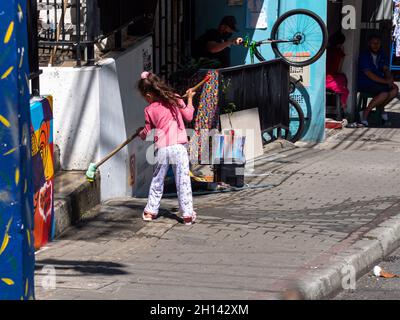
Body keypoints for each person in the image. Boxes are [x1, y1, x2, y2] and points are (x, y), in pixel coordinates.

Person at [137, 72, 197, 226]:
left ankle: (150, 211)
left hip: (162, 149)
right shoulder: (175, 98)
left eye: (145, 97)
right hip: (179, 147)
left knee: (157, 180)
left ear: (149, 95)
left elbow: (147, 131)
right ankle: (187, 215)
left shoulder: (149, 109)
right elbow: (189, 116)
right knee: (183, 182)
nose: (146, 100)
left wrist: (140, 133)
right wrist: (189, 99)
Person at [358, 35, 399, 127]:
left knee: (395, 89)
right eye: (373, 43)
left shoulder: (381, 54)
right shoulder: (365, 55)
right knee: (384, 93)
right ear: (369, 44)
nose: (375, 45)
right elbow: (369, 74)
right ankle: (366, 113)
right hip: (366, 82)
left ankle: (380, 109)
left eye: (378, 43)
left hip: (378, 82)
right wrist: (386, 82)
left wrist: (390, 79)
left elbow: (385, 69)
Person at [326, 31, 350, 113]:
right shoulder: (339, 53)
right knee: (344, 85)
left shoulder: (326, 51)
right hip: (331, 80)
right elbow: (339, 69)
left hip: (322, 79)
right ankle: (343, 105)